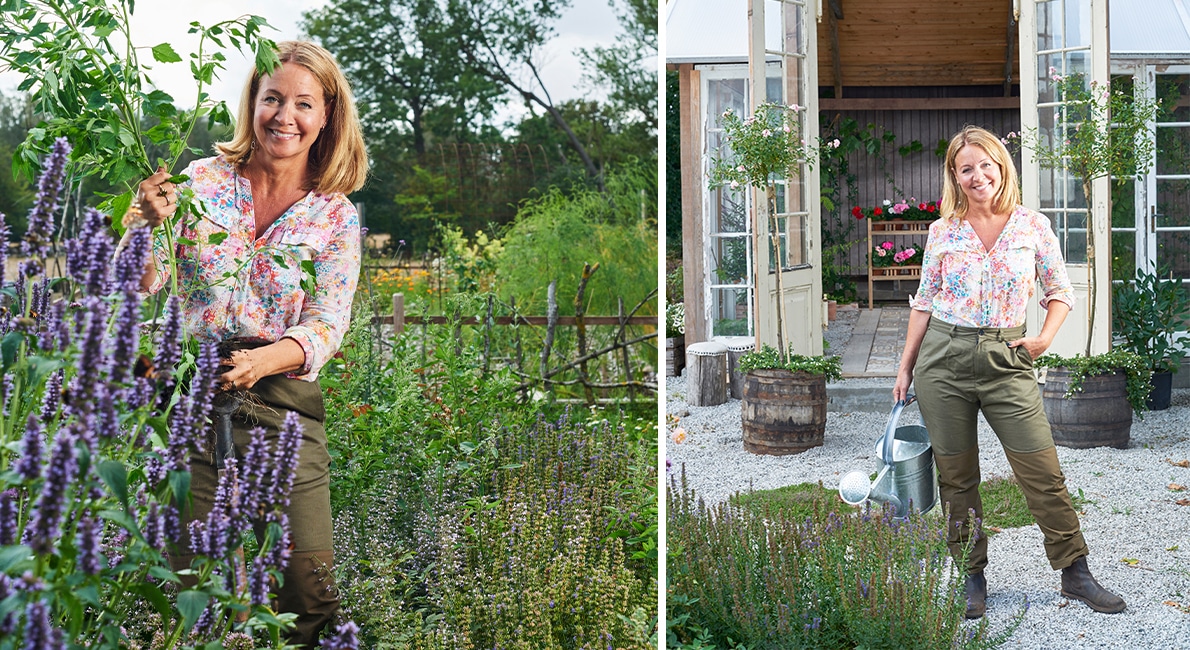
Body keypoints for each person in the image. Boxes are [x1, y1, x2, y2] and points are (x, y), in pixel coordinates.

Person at [130, 40, 368, 645]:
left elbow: (326, 323)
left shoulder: (334, 215)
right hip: (193, 392)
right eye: (272, 99)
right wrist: (144, 227)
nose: (285, 116)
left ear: (327, 116)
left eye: (303, 104)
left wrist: (264, 360)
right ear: (252, 105)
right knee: (192, 582)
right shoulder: (200, 183)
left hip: (281, 400)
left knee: (307, 584)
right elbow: (143, 284)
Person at [892, 125, 1124, 619]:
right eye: (966, 168)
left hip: (1007, 360)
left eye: (986, 165)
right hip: (944, 360)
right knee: (956, 478)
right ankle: (971, 576)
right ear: (955, 177)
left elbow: (1060, 291)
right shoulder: (942, 231)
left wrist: (1042, 339)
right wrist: (905, 368)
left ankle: (1075, 574)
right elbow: (925, 303)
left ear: (1002, 166)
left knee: (1042, 471)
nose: (978, 176)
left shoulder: (1031, 226)